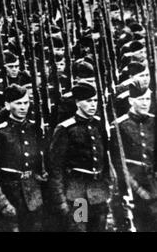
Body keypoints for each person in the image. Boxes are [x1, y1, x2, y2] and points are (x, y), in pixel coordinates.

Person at [0, 84, 46, 232]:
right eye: (18, 103)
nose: (23, 107)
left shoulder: (33, 129)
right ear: (7, 105)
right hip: (9, 196)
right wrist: (2, 203)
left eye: (26, 103)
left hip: (33, 197)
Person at [48, 82, 111, 232]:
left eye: (95, 101)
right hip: (78, 195)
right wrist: (60, 200)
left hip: (98, 195)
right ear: (77, 102)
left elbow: (105, 159)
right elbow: (55, 168)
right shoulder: (66, 129)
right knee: (79, 230)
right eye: (88, 101)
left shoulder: (98, 125)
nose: (93, 105)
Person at [110, 79, 157, 232]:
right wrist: (137, 189)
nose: (145, 103)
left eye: (147, 98)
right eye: (140, 99)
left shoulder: (154, 122)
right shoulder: (120, 126)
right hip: (133, 188)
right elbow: (118, 163)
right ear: (131, 100)